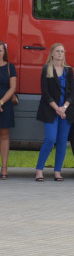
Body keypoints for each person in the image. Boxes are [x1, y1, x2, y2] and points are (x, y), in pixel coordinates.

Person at [35, 42, 74, 182]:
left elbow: (73, 92)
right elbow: (45, 93)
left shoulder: (69, 70)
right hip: (50, 109)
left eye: (62, 51)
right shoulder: (46, 69)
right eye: (57, 51)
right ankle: (39, 170)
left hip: (66, 111)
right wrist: (57, 108)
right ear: (52, 53)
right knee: (50, 139)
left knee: (62, 141)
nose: (60, 53)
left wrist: (64, 107)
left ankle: (57, 171)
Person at [0, 41, 16, 180]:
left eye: (0, 50)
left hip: (5, 103)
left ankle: (4, 168)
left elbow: (12, 88)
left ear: (4, 52)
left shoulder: (10, 67)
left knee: (4, 134)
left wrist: (1, 101)